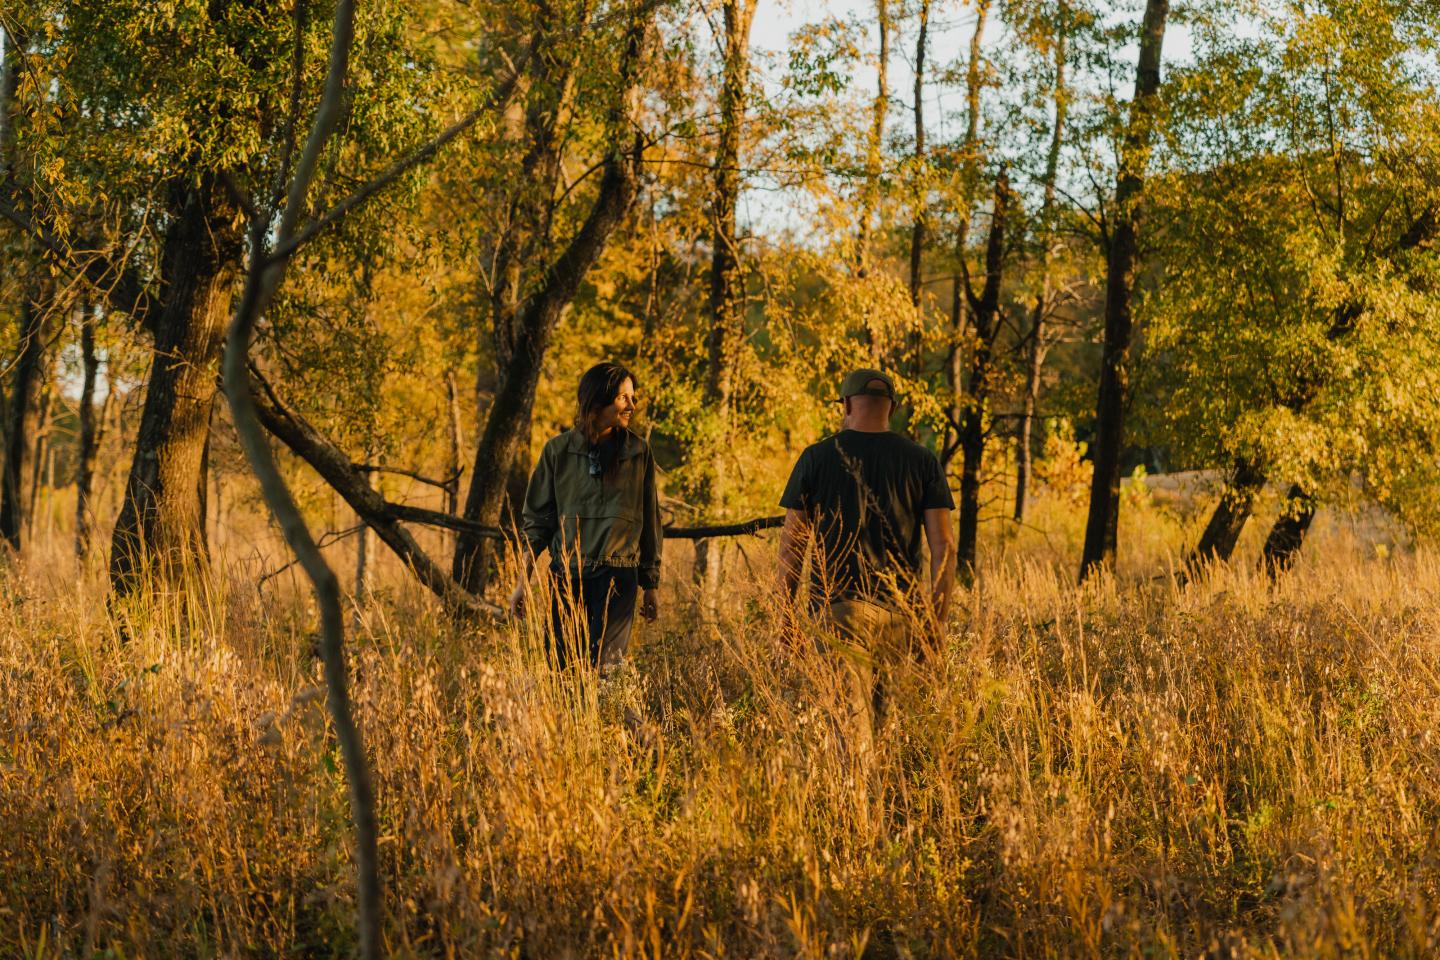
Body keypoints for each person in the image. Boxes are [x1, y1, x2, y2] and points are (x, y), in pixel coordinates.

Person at [775, 368, 955, 751]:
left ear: (846, 405)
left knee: (851, 736)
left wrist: (785, 617)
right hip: (901, 615)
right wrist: (934, 622)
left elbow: (792, 546)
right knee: (889, 734)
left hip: (839, 611)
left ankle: (858, 807)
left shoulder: (817, 458)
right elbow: (945, 547)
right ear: (892, 407)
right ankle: (887, 806)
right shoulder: (923, 461)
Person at [509, 362, 662, 669]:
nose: (632, 405)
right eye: (623, 398)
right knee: (563, 670)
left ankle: (614, 719)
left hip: (619, 576)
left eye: (633, 397)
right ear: (597, 401)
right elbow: (537, 524)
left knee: (607, 672)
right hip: (568, 576)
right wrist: (522, 582)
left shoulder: (638, 452)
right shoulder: (558, 451)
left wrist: (651, 584)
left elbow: (649, 520)